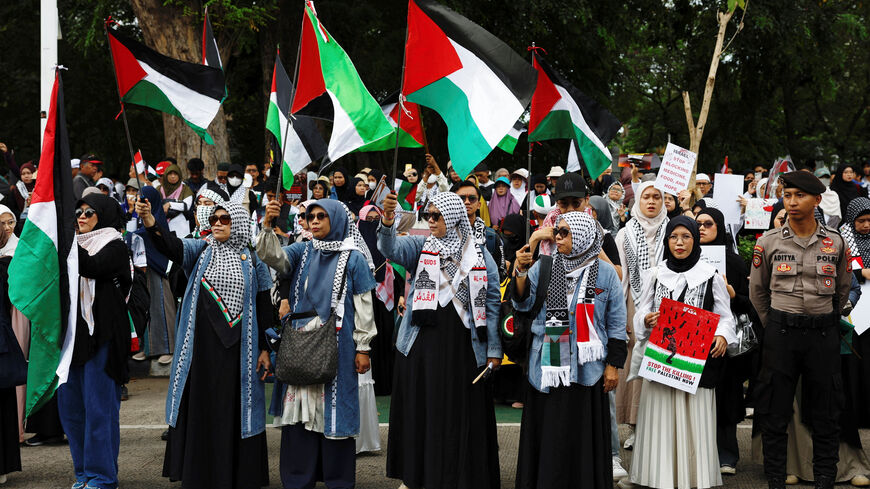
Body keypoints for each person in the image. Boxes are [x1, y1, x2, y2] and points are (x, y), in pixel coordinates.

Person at [136, 196, 272, 489]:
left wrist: (264, 348)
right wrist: (149, 220)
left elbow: (264, 305)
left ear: (237, 223)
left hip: (239, 352)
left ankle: (236, 474)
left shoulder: (253, 258)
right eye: (214, 220)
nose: (218, 225)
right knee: (201, 405)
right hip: (201, 351)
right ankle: (201, 472)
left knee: (235, 408)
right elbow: (169, 246)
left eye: (225, 220)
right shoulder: (201, 249)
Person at [379, 192, 502, 489]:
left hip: (464, 345)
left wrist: (494, 349)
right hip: (422, 344)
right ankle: (418, 475)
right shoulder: (421, 247)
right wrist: (387, 221)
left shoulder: (479, 253)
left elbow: (493, 300)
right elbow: (390, 248)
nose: (430, 221)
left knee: (459, 410)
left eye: (437, 216)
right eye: (428, 215)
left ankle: (460, 475)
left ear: (454, 217)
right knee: (424, 408)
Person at [257, 198, 376, 489]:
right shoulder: (303, 249)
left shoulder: (354, 257)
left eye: (322, 216)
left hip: (339, 345)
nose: (315, 222)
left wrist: (363, 347)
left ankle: (338, 480)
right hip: (300, 344)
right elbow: (273, 257)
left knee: (334, 413)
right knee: (300, 415)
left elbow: (364, 306)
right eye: (311, 216)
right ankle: (298, 478)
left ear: (336, 219)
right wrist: (267, 225)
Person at [750, 171, 851, 489]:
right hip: (781, 333)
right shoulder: (768, 242)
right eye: (787, 195)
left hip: (823, 334)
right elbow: (758, 292)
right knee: (774, 409)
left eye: (799, 196)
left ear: (817, 200)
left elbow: (843, 290)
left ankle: (824, 477)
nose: (791, 202)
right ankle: (776, 478)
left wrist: (825, 319)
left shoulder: (835, 242)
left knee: (826, 410)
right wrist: (775, 324)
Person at [512, 211, 627, 488]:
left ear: (585, 237)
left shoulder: (607, 273)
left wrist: (613, 365)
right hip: (547, 369)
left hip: (588, 372)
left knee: (582, 438)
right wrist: (520, 271)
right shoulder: (545, 266)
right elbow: (522, 305)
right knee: (549, 437)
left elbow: (616, 322)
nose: (558, 237)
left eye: (565, 232)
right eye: (557, 232)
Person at [625, 216, 736, 489]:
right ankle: (656, 477)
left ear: (695, 240)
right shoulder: (657, 273)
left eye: (686, 236)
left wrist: (722, 335)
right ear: (667, 241)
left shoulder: (710, 276)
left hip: (696, 365)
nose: (679, 242)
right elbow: (641, 311)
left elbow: (725, 316)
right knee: (660, 420)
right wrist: (646, 319)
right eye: (674, 237)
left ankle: (693, 478)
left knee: (692, 420)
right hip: (662, 361)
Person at [59, 193, 131, 489]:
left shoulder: (114, 245)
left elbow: (90, 266)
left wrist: (62, 238)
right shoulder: (72, 247)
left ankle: (102, 476)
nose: (82, 217)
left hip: (103, 340)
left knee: (99, 409)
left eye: (89, 212)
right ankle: (84, 473)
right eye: (78, 212)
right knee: (72, 409)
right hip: (73, 340)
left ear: (104, 215)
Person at [695, 207, 757, 475]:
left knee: (726, 396)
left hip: (724, 339)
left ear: (719, 227)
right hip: (694, 335)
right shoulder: (685, 258)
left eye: (708, 224)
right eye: (697, 223)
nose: (701, 228)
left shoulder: (732, 261)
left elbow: (749, 305)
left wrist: (732, 294)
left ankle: (727, 454)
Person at [613, 181, 669, 449]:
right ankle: (636, 426)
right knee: (636, 362)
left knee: (664, 360)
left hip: (667, 306)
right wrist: (622, 314)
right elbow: (621, 277)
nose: (651, 202)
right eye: (646, 196)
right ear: (638, 201)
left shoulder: (673, 230)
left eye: (656, 197)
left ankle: (661, 426)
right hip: (635, 304)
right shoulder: (625, 234)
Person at [134, 186, 178, 366]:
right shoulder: (137, 219)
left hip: (158, 269)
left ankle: (167, 348)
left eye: (143, 200)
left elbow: (152, 237)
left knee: (161, 308)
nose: (140, 203)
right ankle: (148, 348)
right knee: (146, 308)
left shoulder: (157, 220)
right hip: (143, 268)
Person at [455, 181, 506, 280]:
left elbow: (501, 273)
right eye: (461, 198)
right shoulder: (443, 233)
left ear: (479, 204)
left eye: (472, 198)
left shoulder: (491, 236)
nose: (467, 202)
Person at [158, 164, 194, 237]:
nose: (173, 176)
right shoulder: (159, 189)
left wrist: (169, 204)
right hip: (161, 225)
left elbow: (186, 206)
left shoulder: (185, 189)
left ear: (179, 175)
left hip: (180, 226)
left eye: (175, 174)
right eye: (170, 174)